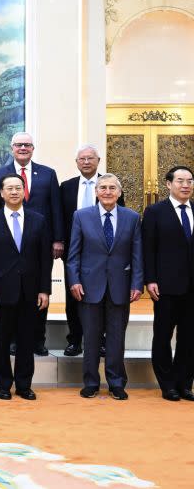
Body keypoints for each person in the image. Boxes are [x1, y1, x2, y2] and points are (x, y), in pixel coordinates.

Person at [0, 132, 62, 356]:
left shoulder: (47, 174)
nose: (23, 148)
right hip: (8, 245)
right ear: (12, 148)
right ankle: (10, 341)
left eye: (27, 145)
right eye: (19, 145)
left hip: (39, 244)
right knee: (10, 293)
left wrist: (57, 239)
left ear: (33, 148)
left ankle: (38, 339)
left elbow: (55, 208)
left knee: (38, 291)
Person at [66, 174, 142, 401]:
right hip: (89, 287)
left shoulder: (132, 217)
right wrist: (74, 280)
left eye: (112, 188)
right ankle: (90, 383)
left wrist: (137, 283)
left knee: (116, 338)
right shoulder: (81, 216)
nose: (107, 192)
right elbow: (73, 255)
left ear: (119, 192)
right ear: (96, 192)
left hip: (121, 286)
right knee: (90, 338)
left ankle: (116, 383)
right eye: (103, 188)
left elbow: (137, 254)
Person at [0, 173, 52, 401]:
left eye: (18, 188)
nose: (14, 192)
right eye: (9, 188)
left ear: (24, 192)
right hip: (1, 292)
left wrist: (44, 289)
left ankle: (23, 385)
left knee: (26, 341)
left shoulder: (38, 220)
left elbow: (44, 259)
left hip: (30, 291)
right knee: (1, 341)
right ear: (1, 193)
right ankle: (3, 384)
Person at [59, 145, 124, 357]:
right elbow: (60, 217)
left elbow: (120, 218)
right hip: (74, 250)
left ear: (98, 160)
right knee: (74, 294)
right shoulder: (66, 187)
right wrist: (59, 241)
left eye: (90, 158)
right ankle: (75, 339)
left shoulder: (109, 186)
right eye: (82, 159)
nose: (86, 162)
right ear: (76, 162)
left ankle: (101, 340)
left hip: (104, 251)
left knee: (103, 295)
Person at [142, 166, 194, 402]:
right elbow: (148, 249)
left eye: (190, 181)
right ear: (168, 184)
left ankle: (185, 383)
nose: (186, 185)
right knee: (162, 336)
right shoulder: (155, 211)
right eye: (181, 181)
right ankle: (167, 384)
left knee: (189, 337)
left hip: (192, 287)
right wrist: (150, 279)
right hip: (165, 286)